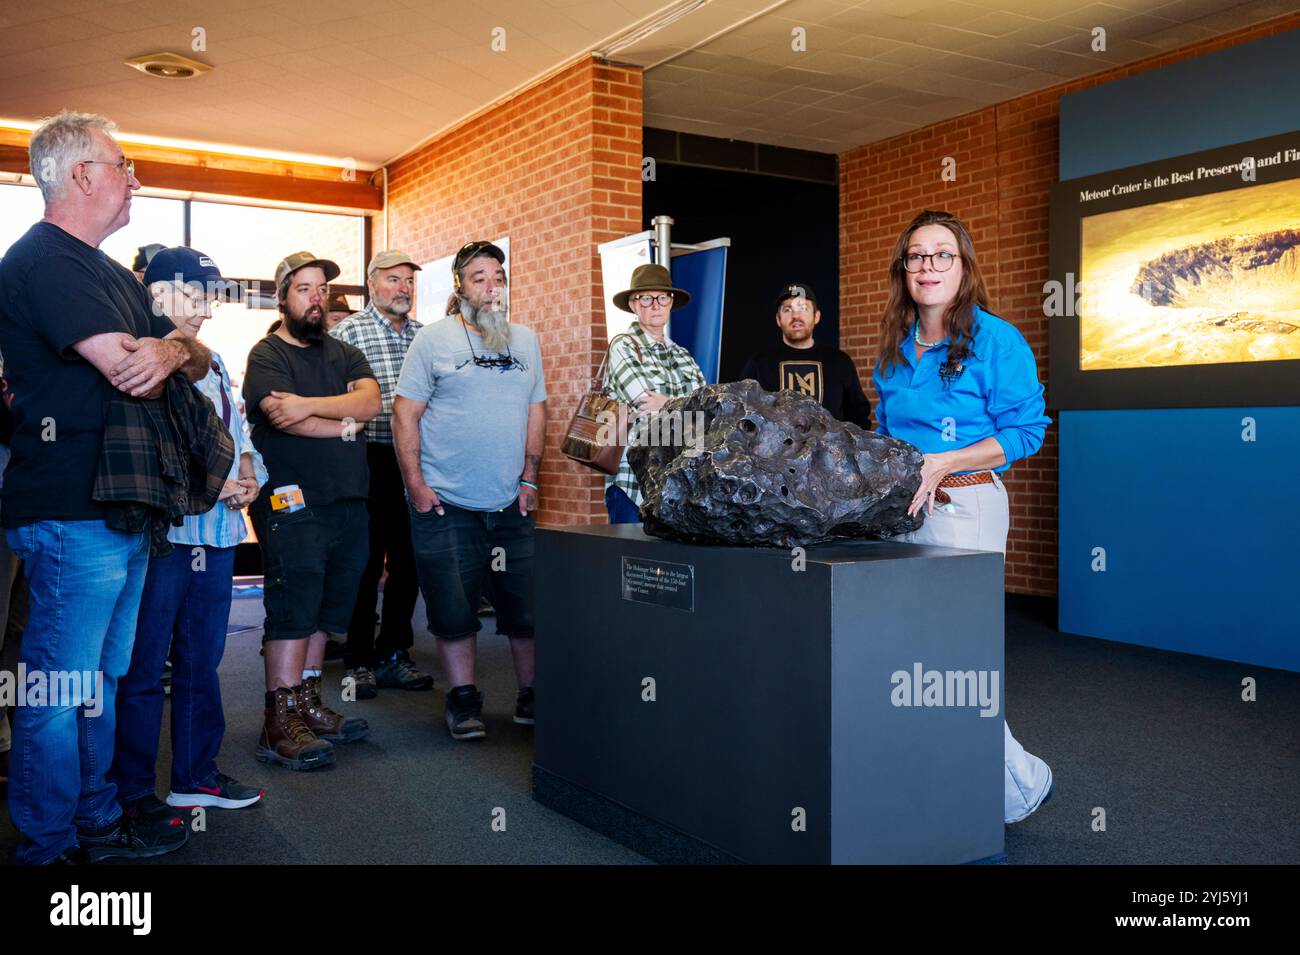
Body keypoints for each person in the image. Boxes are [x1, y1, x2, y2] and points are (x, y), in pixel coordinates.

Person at [0, 110, 212, 864]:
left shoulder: (110, 271)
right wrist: (163, 349)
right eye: (123, 165)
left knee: (103, 679)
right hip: (70, 508)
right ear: (82, 174)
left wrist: (170, 342)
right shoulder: (47, 260)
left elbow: (191, 354)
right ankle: (47, 844)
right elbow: (129, 367)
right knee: (59, 690)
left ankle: (94, 820)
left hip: (119, 508)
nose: (133, 179)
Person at [871, 209, 1054, 824]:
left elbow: (1027, 431)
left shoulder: (997, 340)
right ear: (905, 270)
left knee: (957, 657)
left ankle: (1019, 786)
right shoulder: (895, 349)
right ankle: (935, 776)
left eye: (941, 254)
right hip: (904, 514)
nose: (928, 266)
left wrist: (943, 463)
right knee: (909, 652)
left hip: (965, 505)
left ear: (963, 265)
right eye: (916, 256)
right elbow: (888, 434)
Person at [109, 247, 268, 814]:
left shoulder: (215, 361)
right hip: (165, 540)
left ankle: (195, 776)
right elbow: (145, 446)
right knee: (144, 667)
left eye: (211, 298)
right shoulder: (133, 354)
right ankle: (130, 792)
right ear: (157, 294)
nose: (206, 310)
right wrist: (215, 477)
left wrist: (248, 473)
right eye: (195, 296)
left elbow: (239, 430)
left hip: (220, 535)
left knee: (203, 662)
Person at [393, 240, 546, 740]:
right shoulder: (433, 340)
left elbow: (536, 410)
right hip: (445, 502)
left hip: (510, 500)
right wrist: (416, 484)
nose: (490, 286)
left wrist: (529, 476)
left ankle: (530, 695)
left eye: (497, 277)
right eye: (479, 277)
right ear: (460, 286)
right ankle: (463, 699)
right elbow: (405, 413)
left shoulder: (524, 341)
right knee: (453, 608)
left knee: (524, 608)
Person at [242, 251, 380, 770]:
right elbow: (283, 419)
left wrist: (308, 404)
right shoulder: (266, 355)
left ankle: (307, 704)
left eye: (321, 288)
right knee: (293, 608)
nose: (317, 297)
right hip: (291, 502)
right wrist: (335, 419)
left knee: (326, 609)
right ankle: (277, 724)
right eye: (304, 288)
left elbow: (369, 405)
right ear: (283, 298)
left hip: (348, 501)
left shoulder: (345, 353)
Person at [330, 251, 431, 697]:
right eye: (394, 279)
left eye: (409, 281)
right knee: (365, 562)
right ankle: (358, 658)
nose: (403, 288)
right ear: (372, 283)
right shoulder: (348, 332)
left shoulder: (428, 338)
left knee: (409, 561)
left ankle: (394, 653)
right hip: (366, 458)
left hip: (418, 461)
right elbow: (333, 400)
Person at [602, 263, 706, 524]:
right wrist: (685, 408)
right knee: (629, 563)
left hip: (680, 484)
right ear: (634, 305)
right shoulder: (622, 346)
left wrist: (668, 404)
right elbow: (645, 402)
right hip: (632, 486)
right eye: (646, 298)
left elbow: (706, 413)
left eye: (662, 297)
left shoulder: (684, 356)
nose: (655, 305)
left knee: (673, 565)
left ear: (671, 303)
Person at [740, 282, 872, 429]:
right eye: (788, 309)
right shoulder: (759, 363)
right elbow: (743, 418)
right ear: (778, 319)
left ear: (816, 316)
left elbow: (859, 418)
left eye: (803, 308)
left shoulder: (840, 362)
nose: (796, 315)